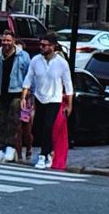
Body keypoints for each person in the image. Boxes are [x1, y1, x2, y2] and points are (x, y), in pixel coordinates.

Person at [20, 32, 73, 169]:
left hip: (54, 99)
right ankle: (49, 152)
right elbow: (29, 77)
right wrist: (24, 95)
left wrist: (69, 104)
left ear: (52, 46)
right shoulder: (36, 60)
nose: (41, 47)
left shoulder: (62, 63)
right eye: (41, 44)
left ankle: (43, 156)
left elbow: (68, 85)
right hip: (40, 97)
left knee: (48, 126)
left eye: (45, 45)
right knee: (38, 127)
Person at [0, 29, 31, 163]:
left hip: (16, 93)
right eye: (4, 40)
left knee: (13, 121)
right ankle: (0, 148)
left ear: (14, 42)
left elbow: (29, 75)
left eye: (8, 41)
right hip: (1, 93)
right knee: (1, 122)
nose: (6, 43)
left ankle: (11, 147)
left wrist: (26, 92)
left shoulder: (23, 56)